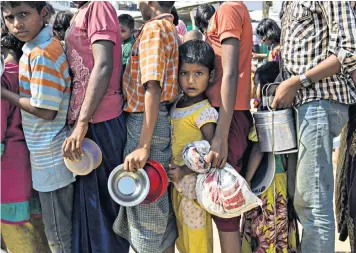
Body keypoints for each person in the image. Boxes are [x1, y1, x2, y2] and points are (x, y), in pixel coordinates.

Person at [272, 2, 356, 252]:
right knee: (303, 201)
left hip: (319, 101)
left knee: (313, 203)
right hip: (302, 104)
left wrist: (299, 81)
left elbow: (350, 50)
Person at [1, 2, 75, 252]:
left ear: (43, 13)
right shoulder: (34, 48)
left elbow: (46, 110)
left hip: (50, 156)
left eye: (23, 14)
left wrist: (4, 93)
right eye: (10, 17)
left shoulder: (41, 53)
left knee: (58, 237)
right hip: (46, 154)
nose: (16, 24)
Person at [62, 1, 130, 252]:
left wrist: (81, 124)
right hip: (86, 122)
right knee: (90, 208)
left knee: (104, 208)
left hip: (100, 122)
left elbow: (103, 66)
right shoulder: (80, 11)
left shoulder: (98, 7)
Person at [112, 2, 179, 253]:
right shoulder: (169, 26)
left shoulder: (153, 30)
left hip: (146, 121)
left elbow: (152, 86)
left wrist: (142, 145)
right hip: (156, 120)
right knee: (157, 201)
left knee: (144, 202)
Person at [196, 2, 253, 253]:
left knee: (226, 207)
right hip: (225, 113)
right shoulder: (231, 8)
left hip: (226, 115)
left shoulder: (228, 9)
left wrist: (220, 136)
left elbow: (230, 73)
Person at [241, 61, 299, 253]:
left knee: (265, 226)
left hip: (267, 186)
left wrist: (247, 180)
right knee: (282, 222)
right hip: (283, 182)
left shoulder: (266, 117)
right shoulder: (289, 114)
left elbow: (258, 150)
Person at [1, 32, 50, 253]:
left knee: (17, 232)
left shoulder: (4, 78)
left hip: (9, 169)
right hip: (35, 160)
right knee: (39, 229)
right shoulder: (33, 72)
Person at [168, 40, 217, 253]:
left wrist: (184, 171)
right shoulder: (176, 103)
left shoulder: (204, 112)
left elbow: (210, 154)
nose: (190, 80)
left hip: (194, 189)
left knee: (197, 242)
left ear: (211, 76)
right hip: (176, 186)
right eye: (184, 73)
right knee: (183, 240)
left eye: (198, 74)